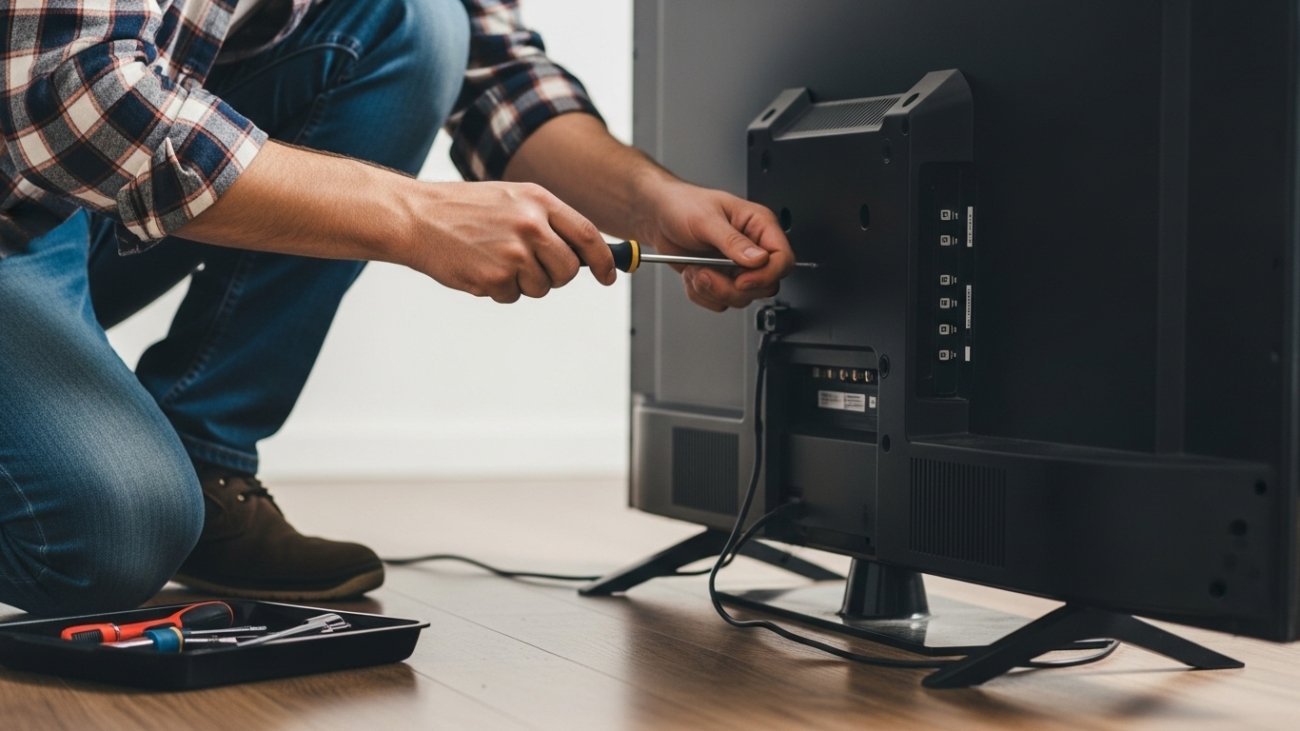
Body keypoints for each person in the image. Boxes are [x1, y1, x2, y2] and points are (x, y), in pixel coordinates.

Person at [0, 0, 794, 616]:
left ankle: (206, 461)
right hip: (25, 191)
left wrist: (652, 204)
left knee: (415, 22)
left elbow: (499, 75)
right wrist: (415, 218)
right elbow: (77, 98)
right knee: (113, 532)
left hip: (73, 199)